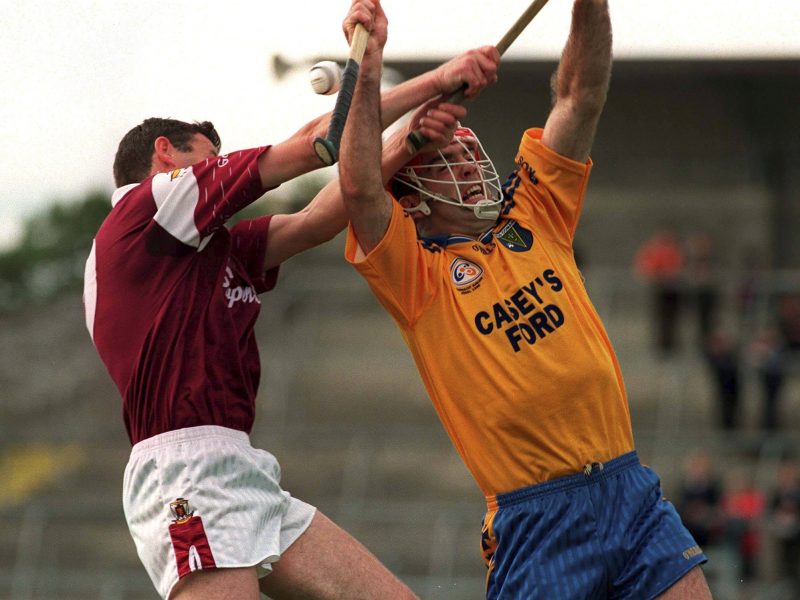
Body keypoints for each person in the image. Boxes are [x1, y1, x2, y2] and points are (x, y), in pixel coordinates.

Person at [81, 2, 498, 597]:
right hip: (185, 471)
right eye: (207, 156)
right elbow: (316, 142)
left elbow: (318, 219)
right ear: (165, 157)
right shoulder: (147, 208)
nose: (218, 173)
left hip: (242, 466)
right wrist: (437, 81)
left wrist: (411, 138)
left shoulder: (199, 250)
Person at [338, 0, 713, 598]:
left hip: (628, 488)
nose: (470, 160)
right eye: (448, 158)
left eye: (467, 150)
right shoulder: (415, 275)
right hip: (537, 521)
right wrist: (370, 68)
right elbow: (358, 186)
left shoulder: (535, 212)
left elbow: (579, 95)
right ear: (412, 196)